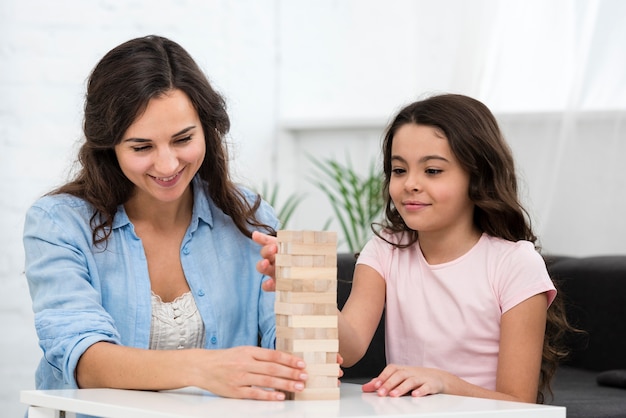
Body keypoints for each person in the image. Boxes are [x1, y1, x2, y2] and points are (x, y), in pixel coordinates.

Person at [23, 35, 309, 401]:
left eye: (183, 139)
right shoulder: (59, 224)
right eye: (142, 147)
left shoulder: (248, 216)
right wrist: (204, 368)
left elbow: (286, 351)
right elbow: (82, 360)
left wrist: (300, 295)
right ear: (109, 146)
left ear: (207, 128)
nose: (167, 165)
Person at [254, 93, 571, 404]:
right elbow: (349, 349)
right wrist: (304, 288)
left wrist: (444, 382)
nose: (410, 184)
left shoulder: (515, 264)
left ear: (477, 177)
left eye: (432, 171)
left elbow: (519, 401)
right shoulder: (385, 250)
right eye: (399, 170)